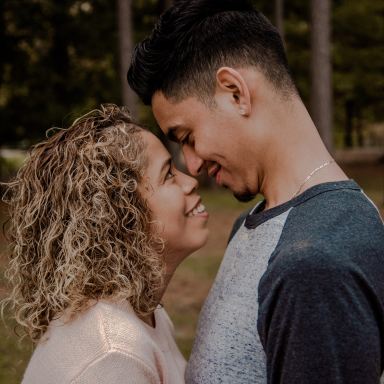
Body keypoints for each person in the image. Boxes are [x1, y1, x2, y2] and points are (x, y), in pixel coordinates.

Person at [127, 1, 384, 383]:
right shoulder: (259, 222)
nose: (193, 165)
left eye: (188, 137)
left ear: (235, 92)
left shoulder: (312, 264)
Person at [2, 104, 209, 384]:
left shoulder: (146, 315)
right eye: (168, 174)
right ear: (122, 215)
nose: (190, 181)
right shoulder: (115, 353)